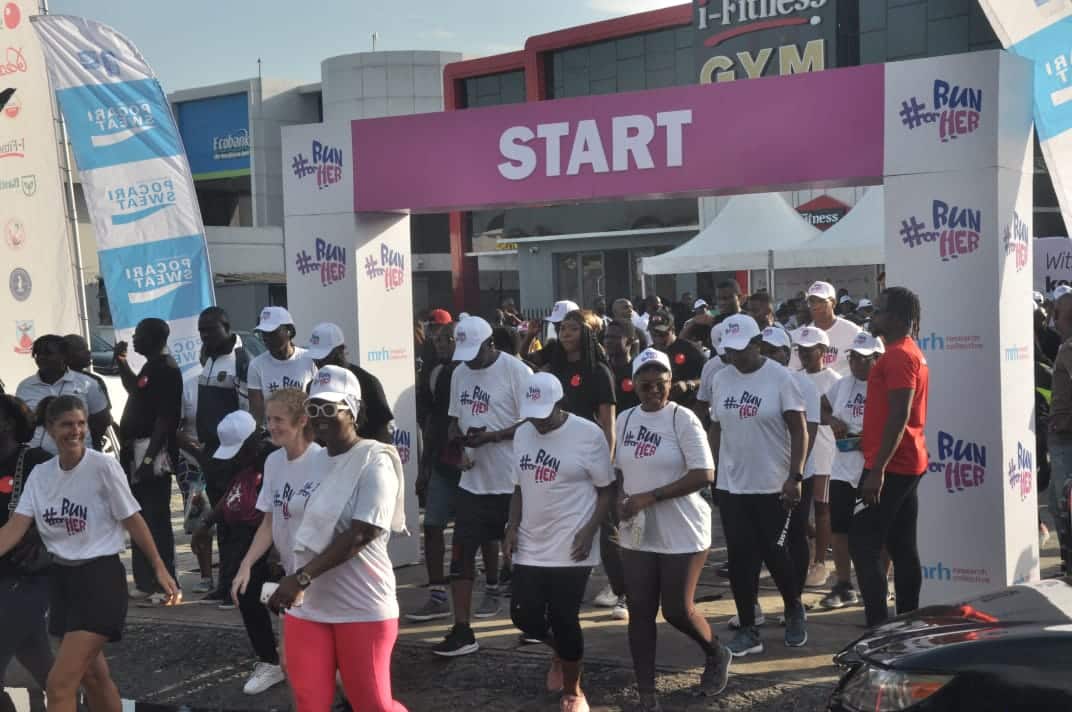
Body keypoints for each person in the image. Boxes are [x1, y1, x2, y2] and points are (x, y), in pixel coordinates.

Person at [0, 396, 179, 712]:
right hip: (62, 584)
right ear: (51, 429)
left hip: (100, 581)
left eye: (81, 423)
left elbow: (133, 520)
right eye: (67, 424)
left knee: (59, 684)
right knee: (94, 678)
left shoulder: (102, 466)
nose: (76, 431)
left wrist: (159, 568)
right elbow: (14, 528)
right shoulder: (41, 475)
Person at [267, 366, 408, 712]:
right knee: (309, 703)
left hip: (362, 605)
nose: (320, 416)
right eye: (313, 408)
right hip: (308, 606)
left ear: (353, 410)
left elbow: (362, 532)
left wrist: (301, 577)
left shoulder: (374, 460)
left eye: (330, 407)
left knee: (372, 705)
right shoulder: (310, 460)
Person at [615, 349, 731, 709]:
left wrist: (652, 496)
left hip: (683, 529)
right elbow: (619, 470)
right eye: (646, 384)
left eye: (660, 384)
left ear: (670, 383)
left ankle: (715, 651)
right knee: (640, 609)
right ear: (634, 385)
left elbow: (704, 474)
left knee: (677, 610)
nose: (654, 391)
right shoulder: (625, 420)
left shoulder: (683, 419)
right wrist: (623, 499)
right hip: (639, 531)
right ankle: (647, 693)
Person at [505, 373, 615, 712]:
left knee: (565, 618)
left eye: (543, 413)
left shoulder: (587, 434)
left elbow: (607, 490)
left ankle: (573, 689)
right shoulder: (523, 433)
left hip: (572, 544)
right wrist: (511, 526)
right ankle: (565, 654)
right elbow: (519, 486)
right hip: (531, 540)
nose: (536, 421)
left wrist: (589, 531)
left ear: (559, 403)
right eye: (531, 413)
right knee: (524, 616)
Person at [709, 315, 809, 656]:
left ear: (757, 345)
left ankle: (794, 609)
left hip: (772, 484)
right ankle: (750, 629)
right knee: (741, 560)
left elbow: (799, 428)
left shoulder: (780, 378)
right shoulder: (721, 379)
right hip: (733, 485)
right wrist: (714, 469)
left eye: (742, 350)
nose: (736, 357)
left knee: (776, 553)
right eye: (730, 351)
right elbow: (716, 427)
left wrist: (795, 476)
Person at [434, 316, 532, 656]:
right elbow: (452, 421)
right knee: (460, 557)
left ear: (492, 344)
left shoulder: (517, 371)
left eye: (475, 352)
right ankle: (462, 630)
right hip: (472, 483)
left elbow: (535, 422)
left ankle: (533, 621)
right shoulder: (460, 372)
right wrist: (458, 448)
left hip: (511, 483)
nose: (470, 360)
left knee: (522, 559)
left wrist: (494, 436)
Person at [232, 389, 322, 690]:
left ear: (301, 420)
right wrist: (246, 564)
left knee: (327, 669)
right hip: (290, 578)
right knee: (293, 664)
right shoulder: (273, 462)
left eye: (279, 419)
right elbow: (269, 520)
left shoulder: (324, 461)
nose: (271, 426)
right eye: (268, 419)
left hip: (323, 578)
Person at [851, 287, 929, 627]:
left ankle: (877, 629)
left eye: (879, 310)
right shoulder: (907, 352)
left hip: (893, 465)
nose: (873, 315)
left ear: (896, 318)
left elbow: (899, 414)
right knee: (901, 544)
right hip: (905, 461)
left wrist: (877, 469)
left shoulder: (898, 355)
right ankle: (906, 624)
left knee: (863, 543)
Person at [189, 410, 280, 694]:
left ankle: (293, 657)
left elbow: (277, 509)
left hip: (274, 539)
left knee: (275, 595)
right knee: (246, 594)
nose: (237, 457)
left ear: (254, 439)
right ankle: (269, 659)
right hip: (246, 538)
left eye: (240, 451)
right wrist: (206, 522)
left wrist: (276, 550)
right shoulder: (248, 461)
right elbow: (234, 494)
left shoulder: (273, 459)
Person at [543, 310, 623, 619]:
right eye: (562, 328)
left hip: (592, 458)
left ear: (585, 334)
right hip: (560, 460)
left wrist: (607, 461)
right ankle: (563, 598)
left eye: (572, 329)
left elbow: (608, 423)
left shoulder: (598, 371)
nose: (565, 333)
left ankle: (622, 592)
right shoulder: (553, 371)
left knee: (606, 528)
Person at [752, 326, 819, 627]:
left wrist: (796, 473)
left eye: (774, 351)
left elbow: (810, 431)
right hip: (765, 476)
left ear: (786, 353)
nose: (768, 356)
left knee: (795, 536)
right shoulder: (756, 381)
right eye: (764, 350)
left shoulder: (803, 383)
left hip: (799, 474)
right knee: (764, 542)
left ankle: (795, 600)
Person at [114, 318, 183, 603]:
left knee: (155, 520)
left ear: (153, 338)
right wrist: (120, 362)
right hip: (135, 453)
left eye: (139, 335)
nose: (134, 339)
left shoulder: (167, 369)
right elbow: (136, 389)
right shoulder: (151, 367)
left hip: (150, 455)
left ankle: (163, 584)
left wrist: (148, 459)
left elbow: (164, 420)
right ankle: (144, 581)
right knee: (138, 517)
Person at [190, 306, 252, 599]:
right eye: (201, 330)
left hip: (233, 454)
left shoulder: (241, 362)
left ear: (227, 328)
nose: (204, 335)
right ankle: (224, 584)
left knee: (235, 520)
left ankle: (235, 586)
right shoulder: (207, 358)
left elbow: (246, 412)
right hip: (211, 453)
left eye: (210, 329)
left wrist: (241, 456)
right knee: (220, 522)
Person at [820, 332, 884, 609]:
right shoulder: (842, 384)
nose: (856, 363)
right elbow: (822, 406)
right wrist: (832, 420)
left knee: (878, 532)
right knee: (840, 528)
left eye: (863, 358)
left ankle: (879, 585)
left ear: (878, 359)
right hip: (842, 468)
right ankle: (844, 585)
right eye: (853, 357)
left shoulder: (886, 386)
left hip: (873, 469)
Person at [0, 396, 53, 712]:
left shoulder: (37, 461)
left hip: (27, 577)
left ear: (7, 422)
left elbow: (67, 509)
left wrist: (38, 534)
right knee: (36, 656)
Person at [794, 326, 841, 589]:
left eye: (808, 350)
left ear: (822, 351)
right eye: (800, 350)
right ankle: (810, 550)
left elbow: (838, 417)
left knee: (822, 508)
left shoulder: (834, 380)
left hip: (824, 454)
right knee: (799, 509)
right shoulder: (792, 377)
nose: (803, 354)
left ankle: (820, 562)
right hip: (797, 453)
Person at [16, 335, 110, 453]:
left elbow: (101, 420)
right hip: (37, 461)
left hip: (78, 457)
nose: (42, 358)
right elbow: (21, 423)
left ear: (64, 356)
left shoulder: (87, 384)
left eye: (48, 353)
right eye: (37, 354)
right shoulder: (25, 386)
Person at [305, 322, 395, 444]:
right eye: (315, 357)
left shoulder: (368, 382)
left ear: (340, 351)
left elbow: (382, 430)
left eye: (324, 356)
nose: (318, 362)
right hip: (327, 457)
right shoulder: (313, 385)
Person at [247, 307, 318, 425]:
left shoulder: (309, 360)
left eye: (273, 333)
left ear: (289, 331)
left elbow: (316, 403)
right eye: (264, 333)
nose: (267, 338)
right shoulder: (256, 365)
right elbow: (256, 412)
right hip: (273, 435)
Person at [790, 281, 861, 377]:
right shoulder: (800, 336)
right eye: (812, 301)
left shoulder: (853, 331)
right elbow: (794, 369)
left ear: (834, 303)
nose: (815, 306)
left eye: (821, 301)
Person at [1049, 291, 1072, 573]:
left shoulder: (1069, 348)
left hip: (1065, 438)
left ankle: (1069, 563)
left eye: (1058, 313)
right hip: (1061, 435)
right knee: (1059, 505)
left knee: (1063, 505)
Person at [647, 310, 705, 407]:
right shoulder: (648, 353)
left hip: (688, 405)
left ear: (672, 329)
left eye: (662, 334)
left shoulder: (691, 349)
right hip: (660, 407)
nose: (658, 339)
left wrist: (688, 384)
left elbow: (708, 377)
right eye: (654, 334)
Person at [62, 334, 113, 415]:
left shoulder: (94, 380)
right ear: (67, 355)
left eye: (87, 348)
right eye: (82, 349)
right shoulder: (56, 380)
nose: (88, 352)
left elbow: (105, 416)